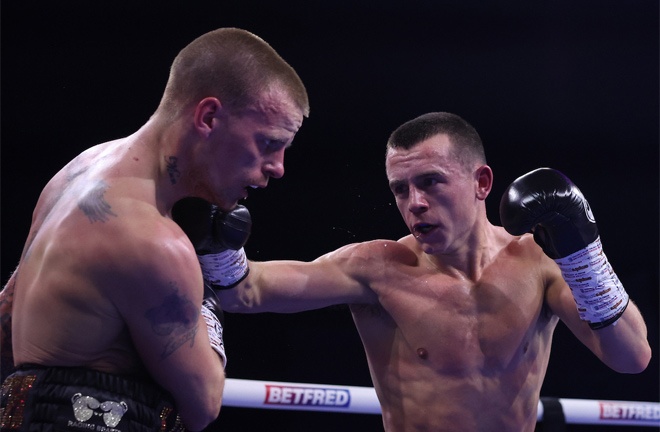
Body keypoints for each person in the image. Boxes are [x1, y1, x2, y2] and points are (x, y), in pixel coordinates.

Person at [176, 112, 651, 432]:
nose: (414, 203)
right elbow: (245, 291)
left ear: (481, 182)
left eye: (430, 182)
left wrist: (582, 253)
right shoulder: (378, 269)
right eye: (400, 189)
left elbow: (632, 357)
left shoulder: (539, 263)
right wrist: (218, 243)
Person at [0, 27, 309, 431]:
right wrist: (204, 285)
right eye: (269, 143)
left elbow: (8, 309)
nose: (279, 167)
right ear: (209, 116)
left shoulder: (80, 170)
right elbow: (204, 402)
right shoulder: (152, 241)